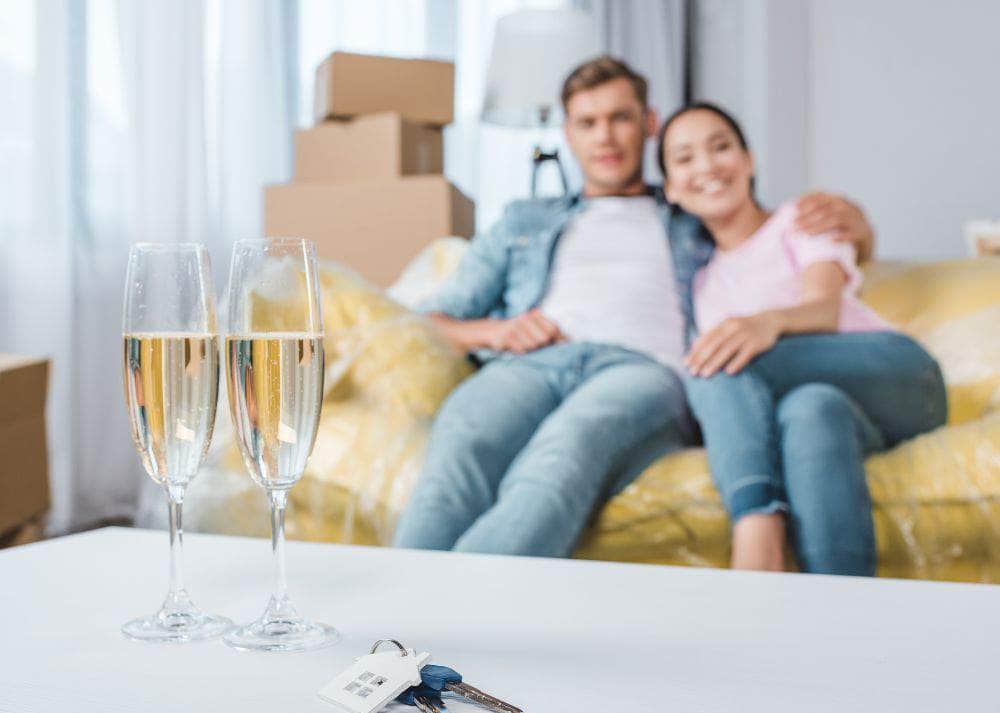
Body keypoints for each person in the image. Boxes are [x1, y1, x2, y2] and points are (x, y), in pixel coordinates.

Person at [392, 56, 876, 568]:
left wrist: (859, 225)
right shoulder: (525, 219)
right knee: (457, 454)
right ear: (568, 134)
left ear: (648, 124)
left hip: (641, 372)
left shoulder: (690, 210)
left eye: (620, 118)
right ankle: (391, 635)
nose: (605, 137)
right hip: (530, 363)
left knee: (560, 458)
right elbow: (426, 323)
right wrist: (499, 330)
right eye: (588, 123)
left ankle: (451, 620)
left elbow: (776, 239)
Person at [659, 102, 947, 574]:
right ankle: (839, 616)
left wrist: (764, 323)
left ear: (749, 161)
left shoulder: (800, 218)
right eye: (685, 158)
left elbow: (825, 309)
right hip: (831, 405)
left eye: (721, 147)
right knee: (810, 410)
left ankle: (756, 530)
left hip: (896, 373)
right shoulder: (702, 285)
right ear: (670, 189)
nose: (707, 166)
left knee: (718, 357)